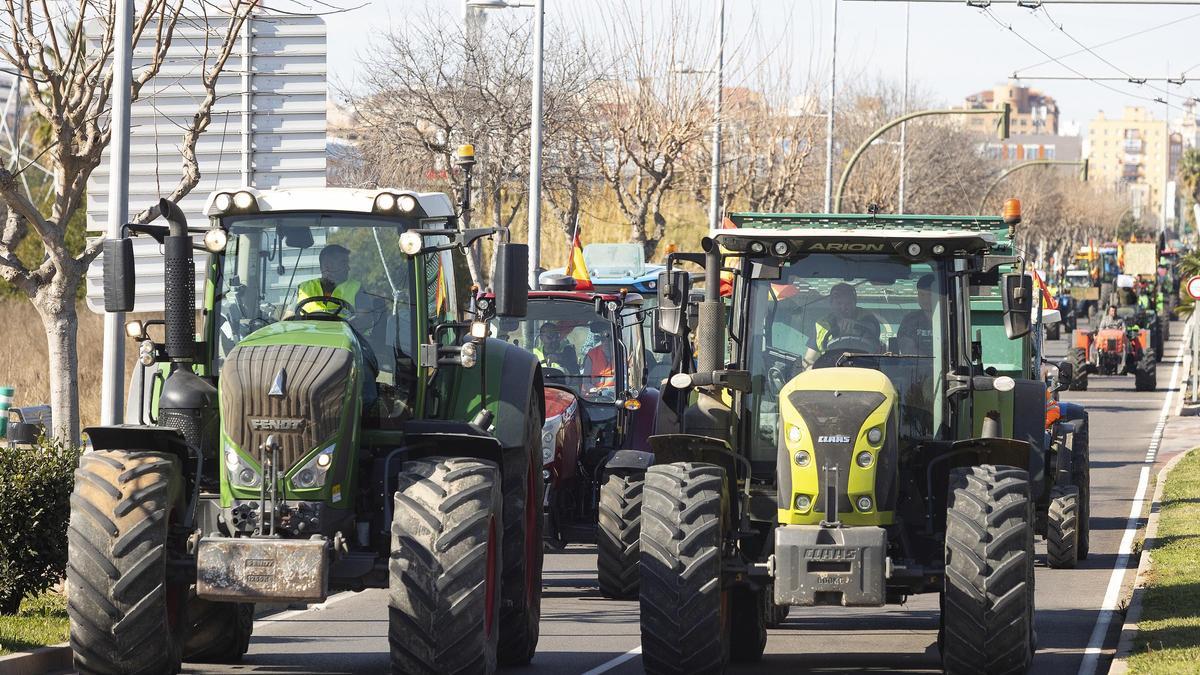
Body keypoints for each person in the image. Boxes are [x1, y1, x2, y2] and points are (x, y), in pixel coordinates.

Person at [803, 283, 882, 367]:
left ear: (855, 303)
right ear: (831, 304)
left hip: (863, 368)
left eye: (848, 303)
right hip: (829, 372)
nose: (843, 308)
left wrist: (856, 326)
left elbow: (873, 331)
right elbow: (809, 359)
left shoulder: (867, 318)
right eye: (839, 303)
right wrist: (810, 368)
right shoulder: (822, 325)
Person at [896, 275, 936, 355]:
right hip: (915, 366)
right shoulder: (910, 320)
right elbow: (907, 349)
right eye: (921, 294)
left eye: (929, 295)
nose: (925, 299)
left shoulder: (948, 319)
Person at [582, 319, 616, 390]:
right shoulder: (592, 355)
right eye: (603, 339)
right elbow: (586, 382)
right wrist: (595, 390)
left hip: (614, 395)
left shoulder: (623, 355)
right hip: (594, 397)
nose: (606, 342)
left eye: (610, 339)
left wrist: (609, 390)